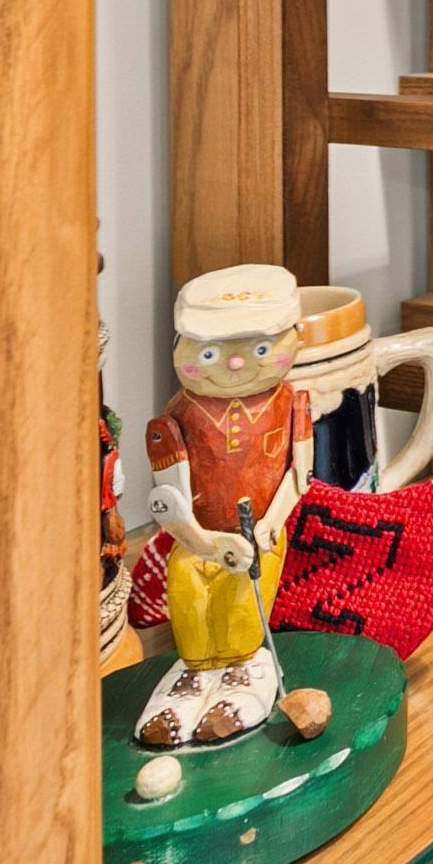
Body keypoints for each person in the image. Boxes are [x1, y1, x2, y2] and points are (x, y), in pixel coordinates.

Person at [133, 265, 312, 748]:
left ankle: (243, 673)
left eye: (259, 350)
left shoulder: (289, 403)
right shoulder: (179, 417)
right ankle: (192, 678)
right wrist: (205, 542)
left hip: (260, 534)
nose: (234, 365)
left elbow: (300, 474)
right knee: (189, 595)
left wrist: (270, 524)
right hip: (198, 539)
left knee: (241, 611)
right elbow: (170, 499)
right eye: (209, 353)